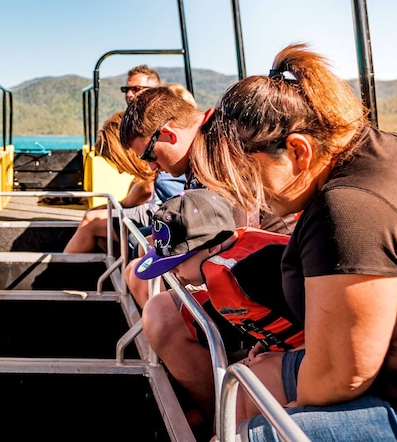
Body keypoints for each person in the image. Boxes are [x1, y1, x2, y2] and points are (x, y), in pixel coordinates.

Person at [190, 43, 397, 441]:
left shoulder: (350, 207)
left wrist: (283, 420)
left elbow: (340, 375)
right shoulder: (391, 150)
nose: (249, 198)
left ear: (299, 150)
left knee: (236, 436)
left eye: (249, 177)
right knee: (248, 382)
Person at [133, 189, 303, 437]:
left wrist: (288, 354)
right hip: (281, 350)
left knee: (233, 413)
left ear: (212, 247)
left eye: (177, 262)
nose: (174, 272)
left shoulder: (256, 268)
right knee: (225, 419)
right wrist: (265, 344)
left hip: (315, 358)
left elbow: (324, 320)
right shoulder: (220, 268)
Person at [119, 85, 297, 307]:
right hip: (262, 264)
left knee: (155, 302)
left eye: (149, 155)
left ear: (168, 134)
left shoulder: (221, 153)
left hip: (276, 274)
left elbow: (233, 240)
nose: (152, 166)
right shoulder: (206, 143)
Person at [63, 80, 190, 254]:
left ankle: (59, 272)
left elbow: (154, 196)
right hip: (159, 218)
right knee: (103, 234)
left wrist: (121, 205)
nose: (121, 170)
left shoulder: (165, 177)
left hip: (157, 217)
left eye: (117, 163)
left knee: (92, 221)